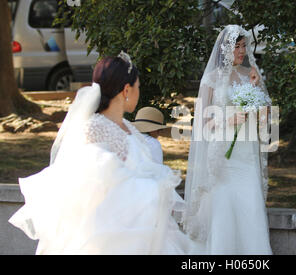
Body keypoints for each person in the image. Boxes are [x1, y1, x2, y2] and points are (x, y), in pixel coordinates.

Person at [9, 52, 200, 255]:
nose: (138, 91)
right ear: (127, 90)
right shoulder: (92, 129)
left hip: (141, 222)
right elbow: (90, 184)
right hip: (109, 230)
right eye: (138, 87)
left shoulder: (129, 127)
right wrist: (152, 189)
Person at [182, 25, 272, 255]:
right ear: (225, 49)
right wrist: (227, 119)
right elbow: (202, 124)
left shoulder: (249, 75)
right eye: (236, 46)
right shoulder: (210, 80)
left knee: (250, 205)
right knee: (224, 206)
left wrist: (256, 86)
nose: (241, 51)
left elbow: (265, 117)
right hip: (223, 154)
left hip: (246, 151)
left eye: (244, 46)